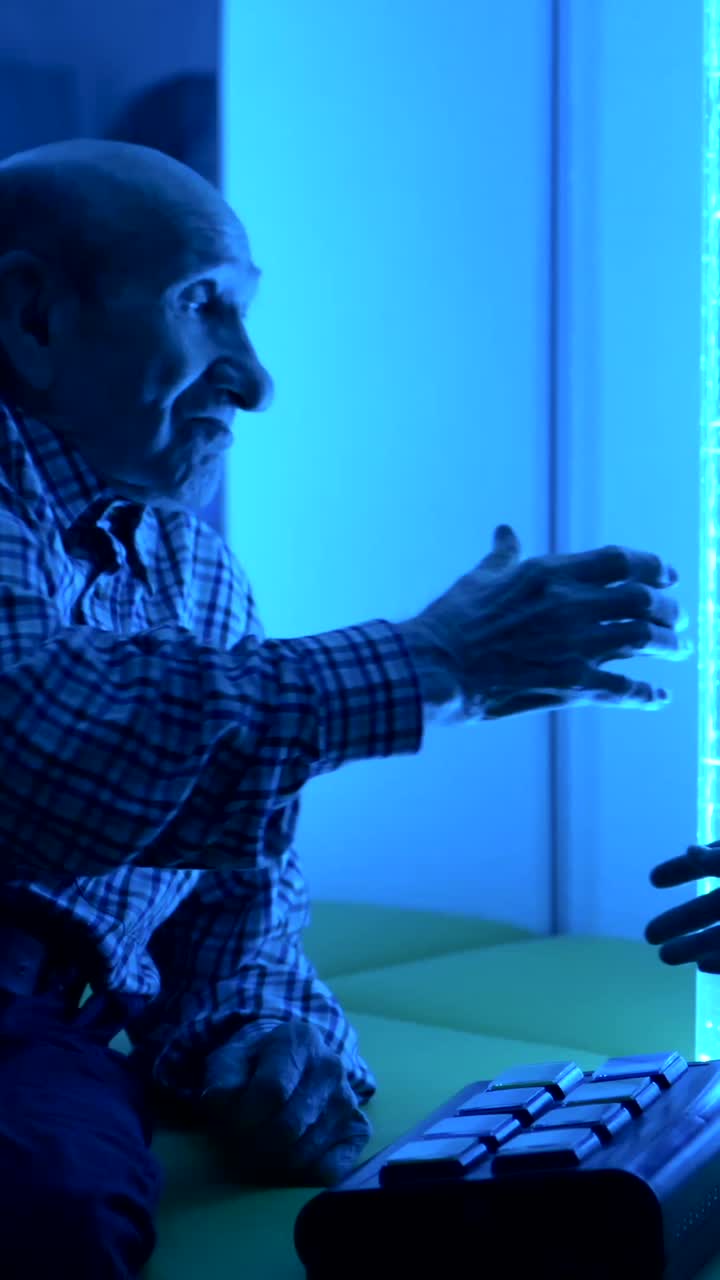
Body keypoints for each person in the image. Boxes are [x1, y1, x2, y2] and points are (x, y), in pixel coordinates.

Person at [0, 135, 701, 1277]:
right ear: (31, 316)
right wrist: (435, 662)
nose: (256, 378)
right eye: (203, 306)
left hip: (65, 1032)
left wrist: (269, 1039)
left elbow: (240, 894)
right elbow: (31, 747)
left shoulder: (191, 569)